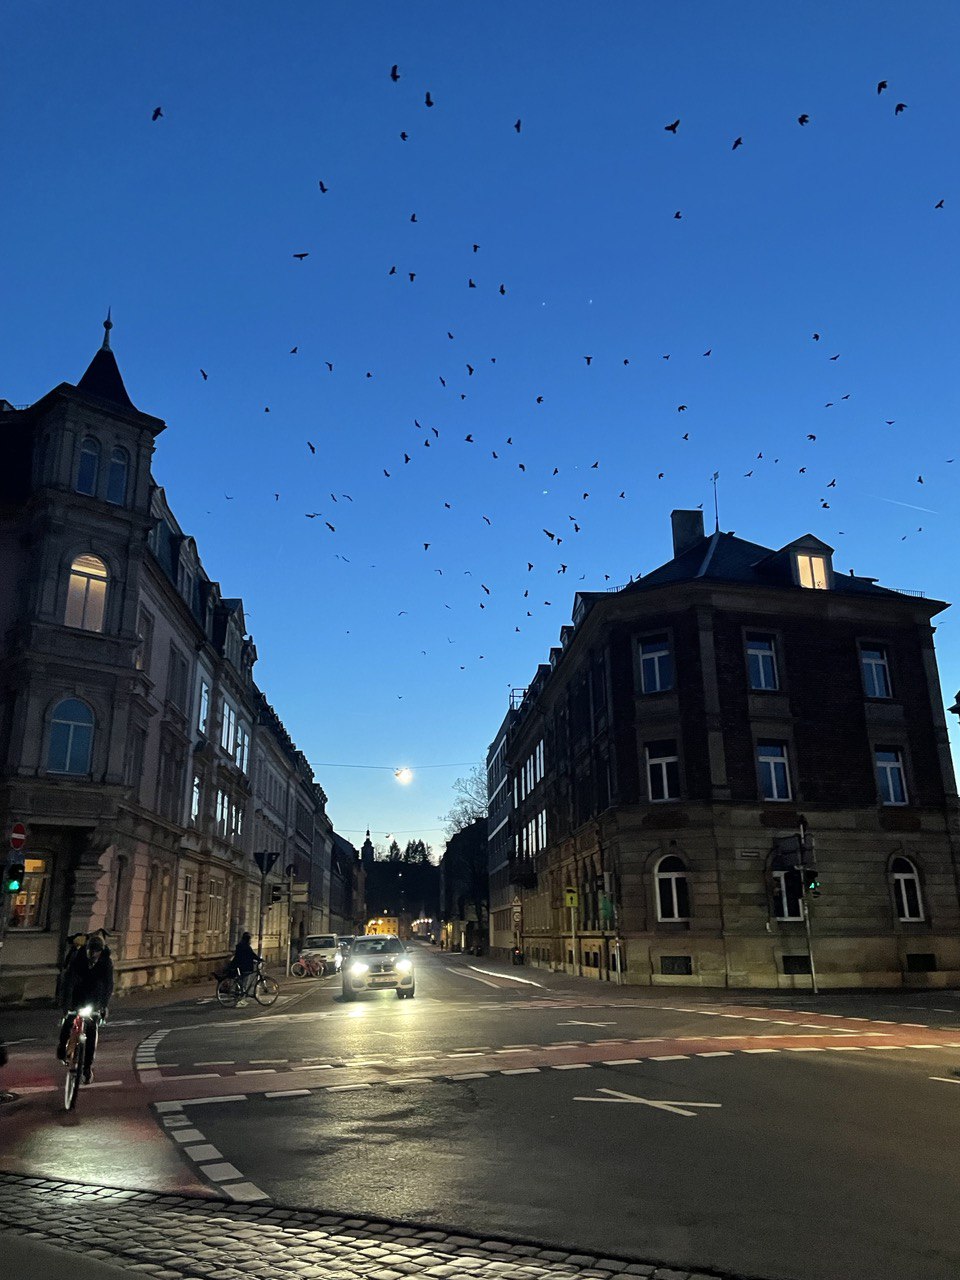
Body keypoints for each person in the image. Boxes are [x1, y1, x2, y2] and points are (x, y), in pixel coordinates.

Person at [56, 934, 113, 1082]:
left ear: (101, 951)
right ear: (86, 949)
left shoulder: (106, 962)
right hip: (77, 994)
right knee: (68, 1020)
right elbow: (68, 982)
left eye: (96, 951)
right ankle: (62, 1048)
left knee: (92, 1029)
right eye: (90, 950)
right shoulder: (78, 958)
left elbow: (108, 985)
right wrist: (66, 1005)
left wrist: (104, 1006)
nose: (93, 954)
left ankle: (87, 1067)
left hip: (94, 997)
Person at [230, 931, 260, 1005]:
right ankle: (241, 996)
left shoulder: (240, 945)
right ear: (247, 939)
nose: (250, 941)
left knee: (241, 980)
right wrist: (260, 959)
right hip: (245, 967)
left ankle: (239, 994)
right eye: (250, 939)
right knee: (245, 981)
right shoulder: (246, 946)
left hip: (239, 965)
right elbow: (252, 955)